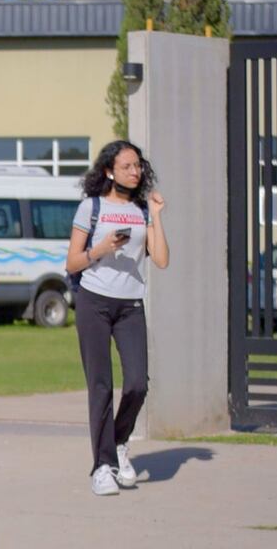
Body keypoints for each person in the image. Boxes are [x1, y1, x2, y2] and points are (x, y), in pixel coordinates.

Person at [65, 140, 170, 496]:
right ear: (110, 171)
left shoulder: (141, 210)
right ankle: (102, 467)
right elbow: (72, 262)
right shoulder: (91, 207)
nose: (134, 171)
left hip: (130, 306)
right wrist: (101, 249)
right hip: (93, 302)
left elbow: (161, 260)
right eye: (127, 166)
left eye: (138, 165)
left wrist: (156, 216)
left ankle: (119, 442)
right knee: (101, 386)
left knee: (138, 383)